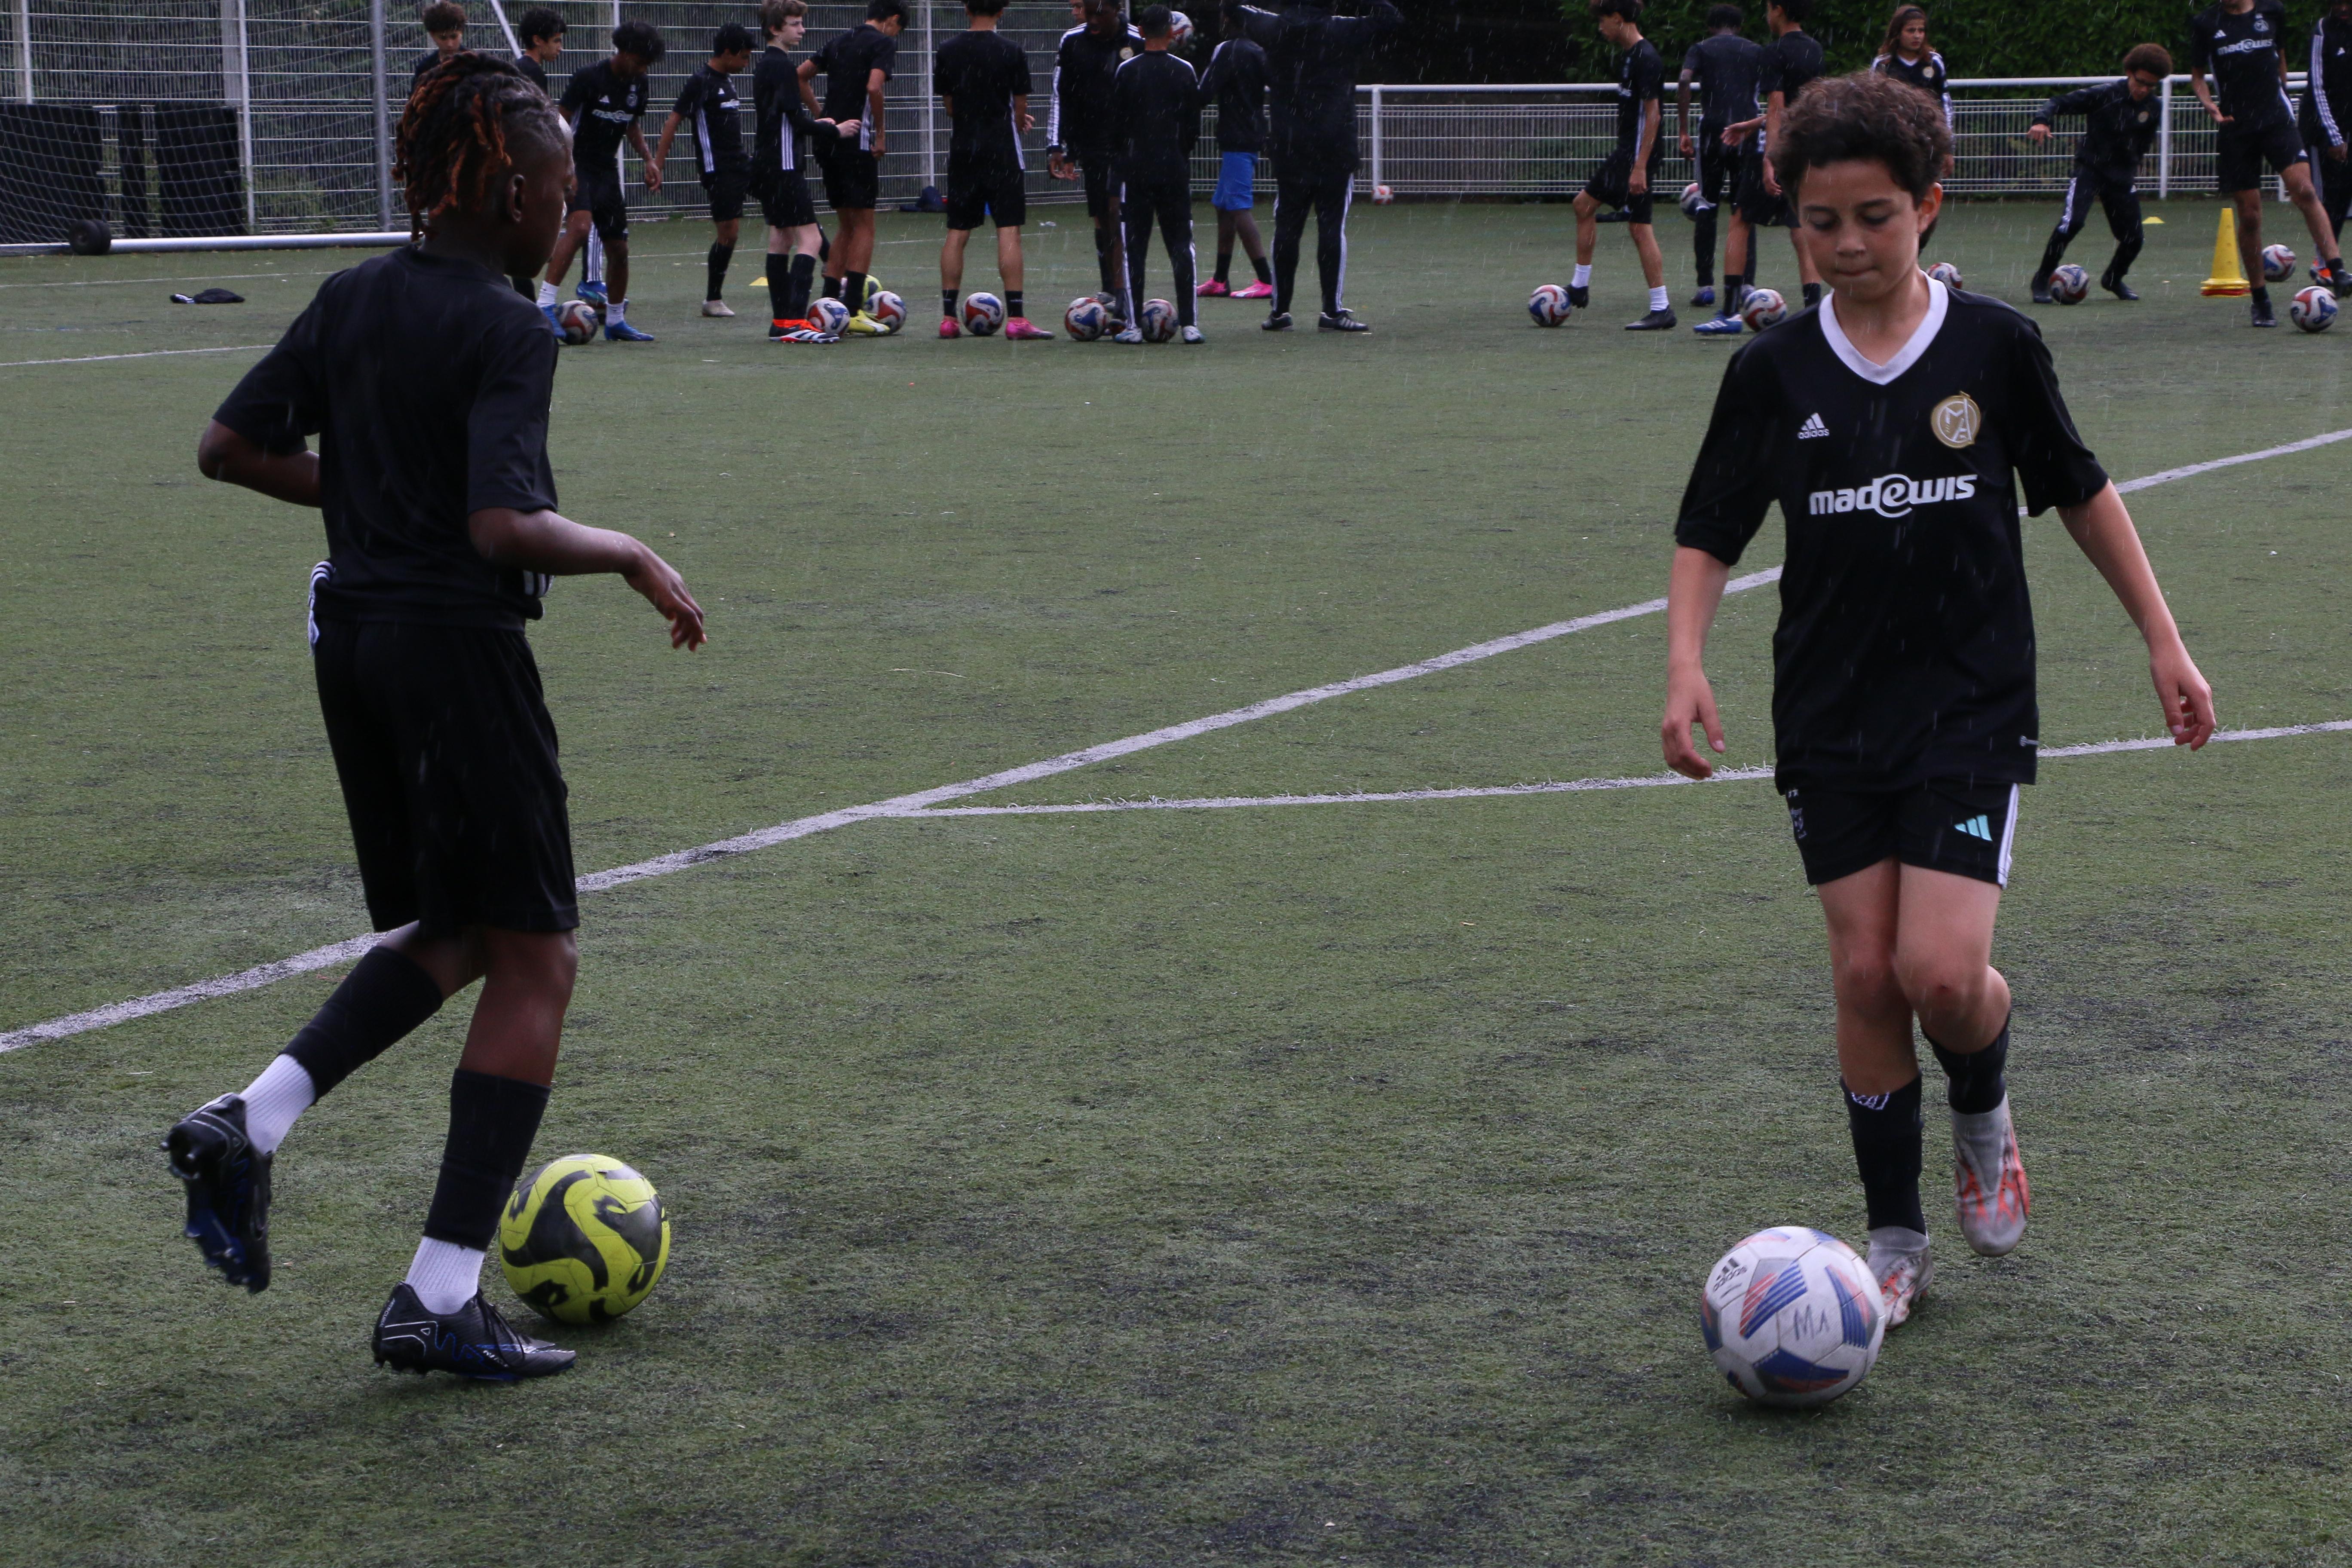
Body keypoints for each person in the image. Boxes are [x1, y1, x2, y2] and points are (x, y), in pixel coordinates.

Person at [173, 52, 707, 1381]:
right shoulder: (511, 326)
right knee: (540, 959)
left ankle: (252, 1117)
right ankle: (440, 1294)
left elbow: (228, 449)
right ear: (516, 190)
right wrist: (628, 550)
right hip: (455, 649)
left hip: (349, 637)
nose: (570, 210)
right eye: (564, 187)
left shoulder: (354, 295)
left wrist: (364, 506)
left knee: (459, 927)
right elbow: (499, 524)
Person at [1662, 70, 2215, 1327]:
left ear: (1929, 206)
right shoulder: (1772, 370)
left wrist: (2163, 642)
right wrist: (1687, 660)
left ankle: (1983, 1101)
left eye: (1874, 217)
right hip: (1828, 709)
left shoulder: (1995, 347)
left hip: (1968, 701)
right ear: (1789, 218)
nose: (1846, 245)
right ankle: (1894, 1237)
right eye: (1819, 221)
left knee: (1941, 975)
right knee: (1865, 975)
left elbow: (2080, 491)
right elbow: (1710, 528)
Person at [1235, 0, 1401, 332]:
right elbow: (1392, 20)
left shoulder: (1275, 27)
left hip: (1291, 143)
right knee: (1331, 226)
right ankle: (1331, 310)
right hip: (1334, 142)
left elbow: (1235, 9)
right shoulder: (1343, 29)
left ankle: (1280, 311)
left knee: (1288, 226)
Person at [2188, 0, 2349, 325]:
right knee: (2250, 215)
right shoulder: (2206, 23)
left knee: (2304, 190)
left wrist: (2282, 93)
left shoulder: (2273, 11)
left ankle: (2338, 269)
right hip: (2236, 126)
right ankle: (2260, 299)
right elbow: (2198, 77)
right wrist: (2210, 105)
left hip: (2276, 119)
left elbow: (2281, 59)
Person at [1695, 0, 1822, 336]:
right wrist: (1751, 124)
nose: (1767, 15)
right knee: (1801, 229)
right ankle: (1815, 314)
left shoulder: (1772, 52)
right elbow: (1801, 107)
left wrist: (1769, 159)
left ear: (1779, 9)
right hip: (1805, 149)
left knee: (1740, 220)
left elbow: (1779, 107)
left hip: (1775, 151)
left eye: (1768, 8)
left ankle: (1728, 314)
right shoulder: (1815, 50)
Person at [539, 21, 666, 342]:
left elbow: (631, 125)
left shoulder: (640, 83)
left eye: (646, 65)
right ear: (622, 52)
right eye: (639, 62)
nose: (642, 69)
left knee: (619, 249)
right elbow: (560, 122)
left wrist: (648, 159)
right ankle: (544, 305)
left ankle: (615, 322)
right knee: (580, 228)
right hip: (577, 164)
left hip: (607, 171)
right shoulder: (589, 78)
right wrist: (564, 168)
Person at [936, 0, 1053, 338]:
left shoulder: (948, 50)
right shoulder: (1011, 50)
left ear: (966, 9)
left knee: (958, 232)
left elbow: (950, 106)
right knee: (1008, 228)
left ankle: (948, 319)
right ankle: (1016, 320)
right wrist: (1014, 121)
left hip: (964, 149)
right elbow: (1020, 104)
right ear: (1001, 12)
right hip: (1001, 148)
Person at [2026, 45, 2170, 303]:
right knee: (2072, 223)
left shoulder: (2154, 107)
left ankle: (2114, 279)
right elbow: (2058, 102)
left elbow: (2144, 143)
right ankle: (2042, 279)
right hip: (2090, 170)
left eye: (2151, 85)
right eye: (2140, 82)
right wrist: (2042, 120)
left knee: (2134, 239)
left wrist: (2132, 168)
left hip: (2121, 178)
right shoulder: (2105, 95)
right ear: (2129, 73)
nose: (2144, 89)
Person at [801, 0, 906, 337]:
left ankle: (829, 305)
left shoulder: (841, 40)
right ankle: (856, 309)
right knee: (865, 226)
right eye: (899, 29)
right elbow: (874, 87)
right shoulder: (882, 43)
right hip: (856, 142)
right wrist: (879, 133)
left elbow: (800, 76)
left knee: (846, 226)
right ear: (893, 20)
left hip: (830, 142)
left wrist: (822, 116)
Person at [753, 0, 856, 341]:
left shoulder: (766, 64)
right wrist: (833, 130)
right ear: (775, 29)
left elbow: (783, 118)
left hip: (769, 161)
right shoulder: (781, 66)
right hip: (784, 165)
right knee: (809, 239)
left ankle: (781, 322)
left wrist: (816, 123)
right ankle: (795, 320)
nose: (802, 30)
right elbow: (791, 119)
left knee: (780, 238)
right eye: (795, 24)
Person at [1570, 0, 1673, 331]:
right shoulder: (1631, 56)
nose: (1601, 28)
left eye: (1603, 21)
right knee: (1631, 223)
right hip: (1630, 152)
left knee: (1594, 208)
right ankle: (1582, 287)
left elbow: (1653, 115)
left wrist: (1640, 166)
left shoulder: (1646, 58)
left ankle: (1659, 306)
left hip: (1635, 155)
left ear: (1618, 19)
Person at [1110, 5, 1204, 343]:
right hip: (1173, 168)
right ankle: (1190, 325)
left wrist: (1126, 156)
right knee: (1181, 245)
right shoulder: (1185, 70)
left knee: (1134, 247)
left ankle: (1134, 327)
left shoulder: (1127, 71)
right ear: (1170, 30)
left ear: (1139, 29)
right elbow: (1193, 124)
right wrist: (1178, 151)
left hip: (1136, 169)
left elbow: (1117, 124)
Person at [1049, 0, 1148, 321]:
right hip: (1091, 145)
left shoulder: (1137, 41)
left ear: (1117, 10)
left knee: (1120, 215)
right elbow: (1063, 94)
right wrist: (1060, 147)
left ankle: (1126, 291)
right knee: (1102, 217)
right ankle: (1111, 287)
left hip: (1129, 147)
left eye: (1099, 14)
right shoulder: (1073, 41)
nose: (1092, 21)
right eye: (1088, 14)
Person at [654, 23, 757, 318]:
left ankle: (830, 268)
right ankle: (713, 300)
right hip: (719, 170)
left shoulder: (727, 79)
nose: (746, 63)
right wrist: (658, 164)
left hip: (742, 164)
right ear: (727, 53)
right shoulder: (700, 81)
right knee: (729, 233)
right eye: (744, 57)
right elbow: (673, 121)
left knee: (788, 201)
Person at [1677, 4, 1763, 309]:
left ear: (1711, 26)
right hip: (1747, 131)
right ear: (1738, 27)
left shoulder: (1701, 48)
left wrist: (1683, 128)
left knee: (1707, 205)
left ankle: (1705, 286)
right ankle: (1746, 284)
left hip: (1713, 130)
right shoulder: (1756, 51)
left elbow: (1686, 80)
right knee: (1744, 210)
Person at [1197, 3, 1274, 298]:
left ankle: (1266, 281)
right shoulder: (1258, 50)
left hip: (1236, 138)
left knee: (1239, 207)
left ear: (1227, 19)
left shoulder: (1226, 50)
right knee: (1224, 205)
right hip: (1253, 133)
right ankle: (1220, 279)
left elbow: (1204, 92)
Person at [2301, 0, 2352, 244]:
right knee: (2324, 198)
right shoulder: (2323, 31)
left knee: (2344, 197)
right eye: (2337, 2)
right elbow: (2317, 88)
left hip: (2347, 130)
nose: (2343, 8)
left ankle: (2329, 263)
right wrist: (2334, 137)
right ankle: (2324, 264)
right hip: (2321, 129)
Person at [1870, 6, 1951, 126]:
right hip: (1895, 134)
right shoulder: (1882, 65)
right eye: (1911, 31)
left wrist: (1948, 138)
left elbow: (1945, 103)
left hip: (1928, 133)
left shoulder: (1934, 62)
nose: (1917, 36)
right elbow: (1873, 105)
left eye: (1921, 30)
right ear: (1897, 34)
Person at [409, 1, 467, 93]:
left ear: (462, 32)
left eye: (454, 37)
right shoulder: (425, 68)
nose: (450, 44)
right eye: (443, 38)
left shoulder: (474, 63)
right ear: (432, 35)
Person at [512, 7, 564, 93]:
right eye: (556, 41)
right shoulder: (534, 74)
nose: (560, 48)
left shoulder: (517, 67)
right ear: (537, 40)